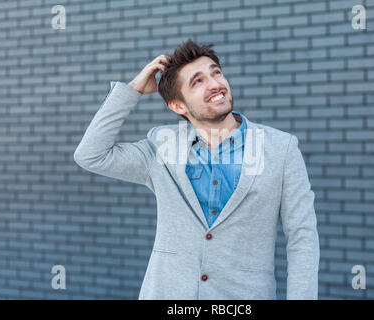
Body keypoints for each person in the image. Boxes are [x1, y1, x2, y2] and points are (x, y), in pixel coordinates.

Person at [74, 38, 320, 300]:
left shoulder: (281, 148)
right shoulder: (161, 148)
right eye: (197, 81)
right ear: (178, 106)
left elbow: (302, 237)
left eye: (216, 73)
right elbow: (91, 155)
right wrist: (132, 89)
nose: (215, 84)